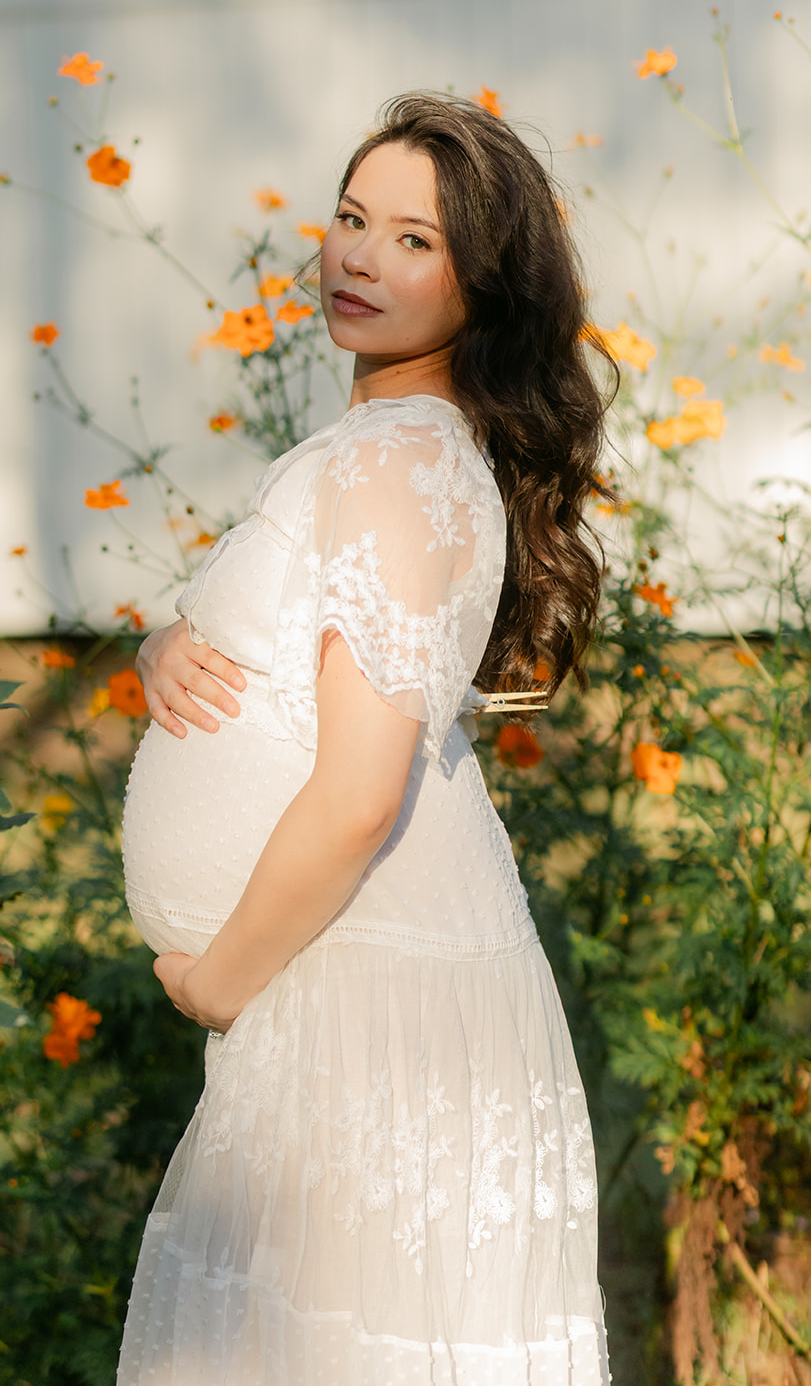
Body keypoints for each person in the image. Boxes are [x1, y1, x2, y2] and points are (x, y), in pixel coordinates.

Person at [115, 92, 616, 1386]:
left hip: (358, 987)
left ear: (482, 281)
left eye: (413, 239)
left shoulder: (398, 461)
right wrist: (166, 644)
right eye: (349, 220)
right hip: (350, 974)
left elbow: (355, 793)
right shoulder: (386, 446)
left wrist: (221, 979)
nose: (357, 257)